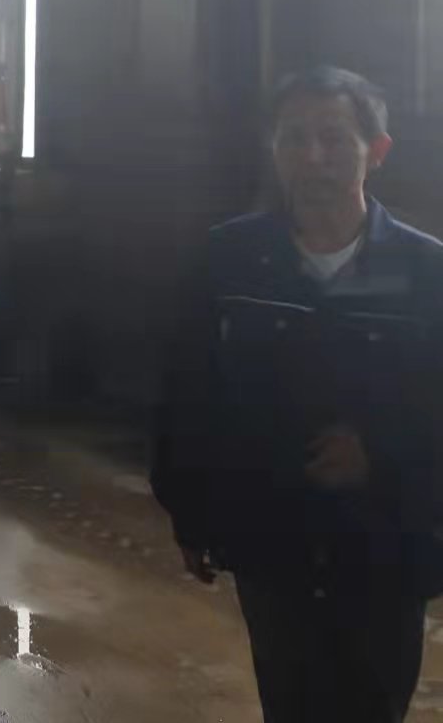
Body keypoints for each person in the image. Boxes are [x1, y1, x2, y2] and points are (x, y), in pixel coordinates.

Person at [152, 67, 443, 722]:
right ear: (274, 149)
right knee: (290, 699)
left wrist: (380, 454)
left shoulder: (428, 274)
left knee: (371, 704)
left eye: (334, 138)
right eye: (294, 138)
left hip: (385, 541)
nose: (313, 157)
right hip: (272, 531)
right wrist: (188, 510)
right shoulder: (227, 261)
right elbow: (188, 390)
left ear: (377, 150)